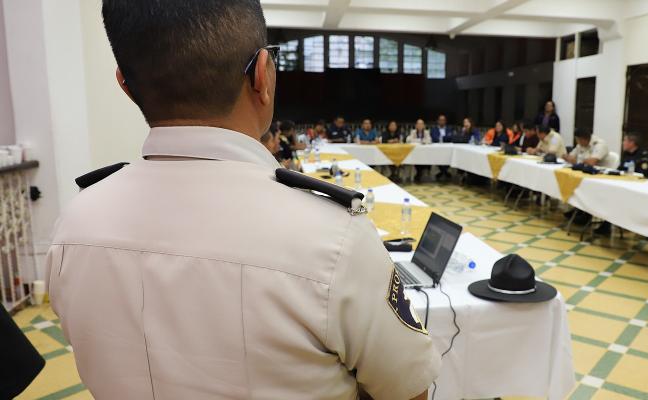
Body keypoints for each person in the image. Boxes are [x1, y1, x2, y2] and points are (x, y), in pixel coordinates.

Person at [48, 2, 439, 399]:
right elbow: (407, 390)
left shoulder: (74, 225)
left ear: (126, 86)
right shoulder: (332, 239)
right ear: (262, 75)